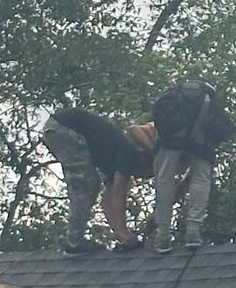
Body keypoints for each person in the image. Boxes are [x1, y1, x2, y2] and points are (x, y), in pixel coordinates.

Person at [45, 105, 155, 250]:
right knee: (84, 184)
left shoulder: (113, 164)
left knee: (92, 185)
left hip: (60, 129)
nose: (141, 177)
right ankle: (74, 241)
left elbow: (106, 201)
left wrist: (120, 234)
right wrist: (123, 232)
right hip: (66, 127)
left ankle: (74, 238)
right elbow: (118, 192)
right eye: (146, 172)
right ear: (144, 160)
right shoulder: (129, 153)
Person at [148, 75, 234, 251]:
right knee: (201, 178)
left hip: (171, 140)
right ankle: (193, 232)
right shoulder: (209, 98)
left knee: (164, 180)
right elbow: (222, 127)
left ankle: (162, 234)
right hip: (200, 140)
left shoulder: (172, 96)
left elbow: (159, 121)